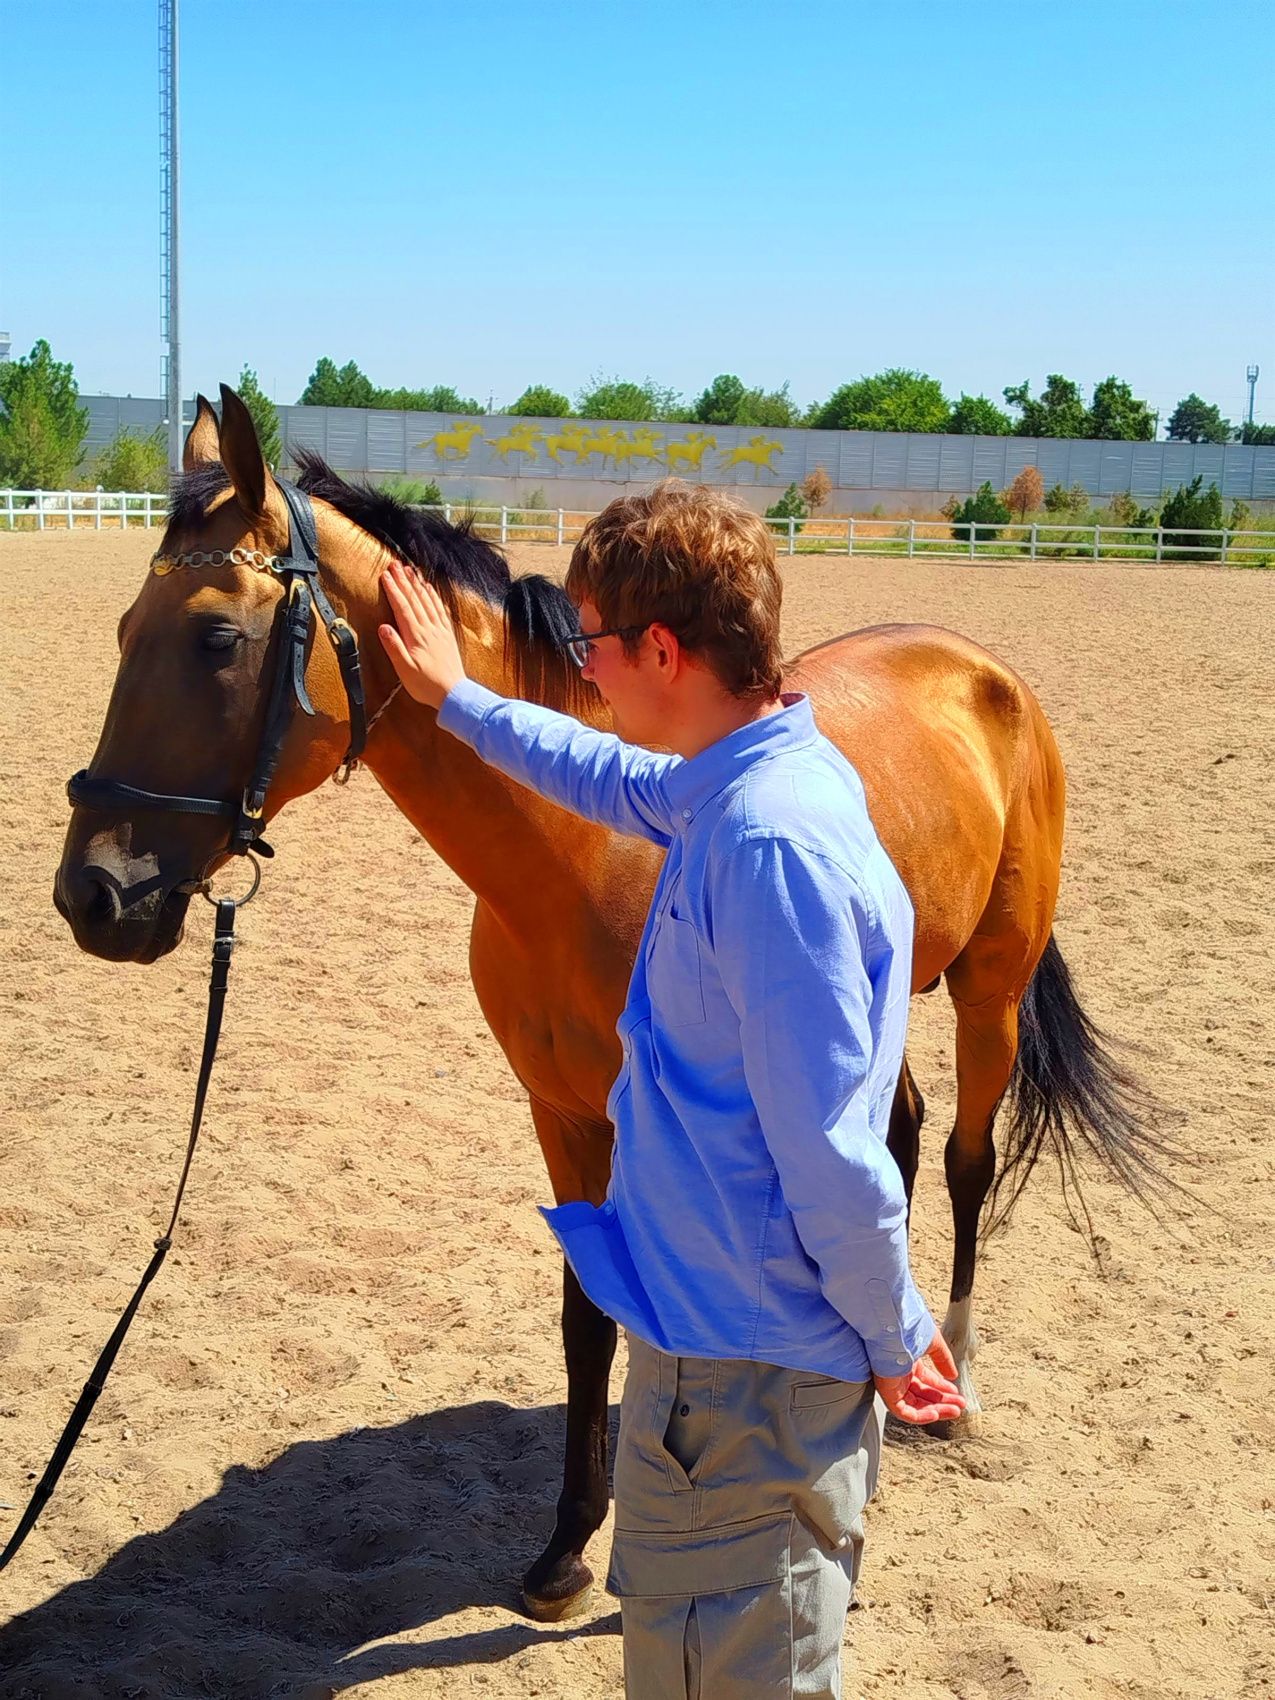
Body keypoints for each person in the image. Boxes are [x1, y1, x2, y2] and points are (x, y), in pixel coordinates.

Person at [378, 483, 962, 1699]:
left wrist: (902, 1334)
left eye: (588, 642)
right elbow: (594, 769)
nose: (579, 668)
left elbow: (833, 1159)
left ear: (660, 649)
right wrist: (458, 698)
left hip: (743, 1388)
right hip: (712, 1359)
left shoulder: (766, 845)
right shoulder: (742, 777)